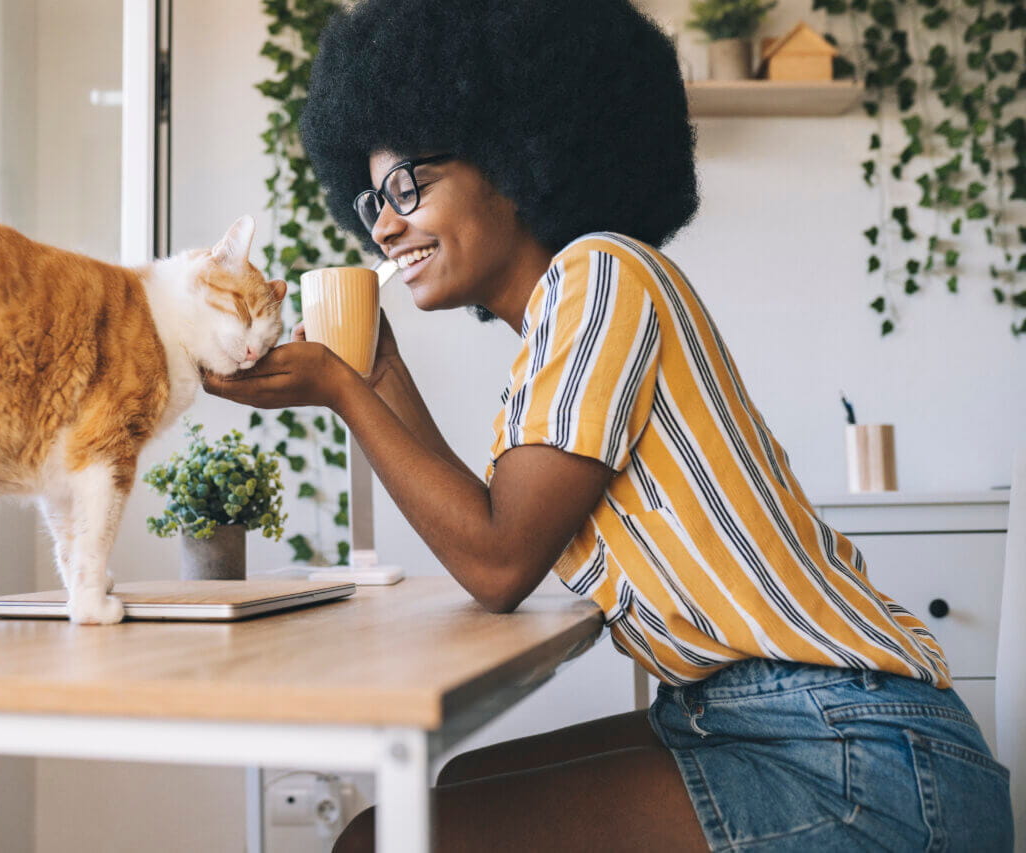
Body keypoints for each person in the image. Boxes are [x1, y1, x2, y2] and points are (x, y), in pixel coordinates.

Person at [203, 0, 1013, 849]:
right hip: (751, 716)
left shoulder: (602, 275)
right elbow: (490, 523)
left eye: (409, 184)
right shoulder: (558, 333)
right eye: (372, 199)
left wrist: (340, 387)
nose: (385, 222)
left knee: (380, 838)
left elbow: (498, 559)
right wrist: (380, 372)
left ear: (515, 161)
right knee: (457, 783)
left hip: (861, 754)